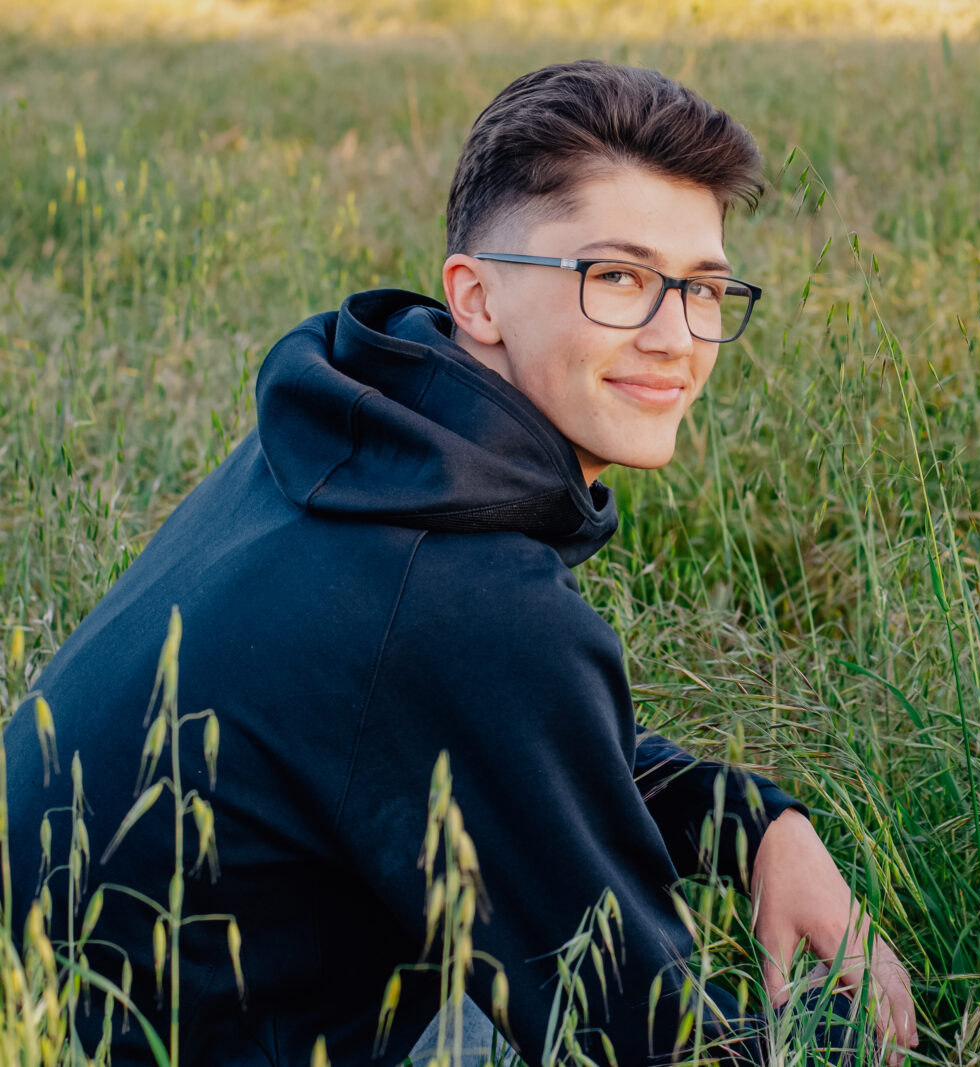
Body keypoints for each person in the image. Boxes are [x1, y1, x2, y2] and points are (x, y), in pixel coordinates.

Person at [3, 60, 917, 1065]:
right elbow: (639, 1037)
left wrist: (753, 822)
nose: (677, 338)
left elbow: (491, 737)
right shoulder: (459, 595)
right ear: (476, 298)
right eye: (617, 279)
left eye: (702, 286)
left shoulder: (353, 439)